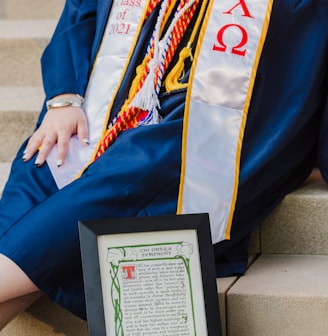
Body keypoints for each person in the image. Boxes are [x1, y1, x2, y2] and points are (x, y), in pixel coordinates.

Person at [0, 0, 327, 327]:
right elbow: (82, 10)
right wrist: (63, 98)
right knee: (41, 170)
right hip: (112, 105)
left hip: (210, 127)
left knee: (133, 175)